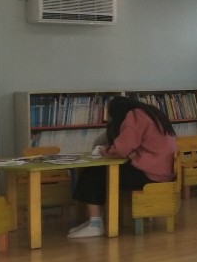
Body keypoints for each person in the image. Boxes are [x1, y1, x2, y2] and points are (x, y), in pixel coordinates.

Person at [68, 96, 177, 239]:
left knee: (92, 172)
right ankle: (94, 220)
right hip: (164, 172)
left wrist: (106, 151)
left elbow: (121, 149)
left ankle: (95, 224)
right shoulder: (152, 113)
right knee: (103, 173)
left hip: (148, 175)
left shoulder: (135, 115)